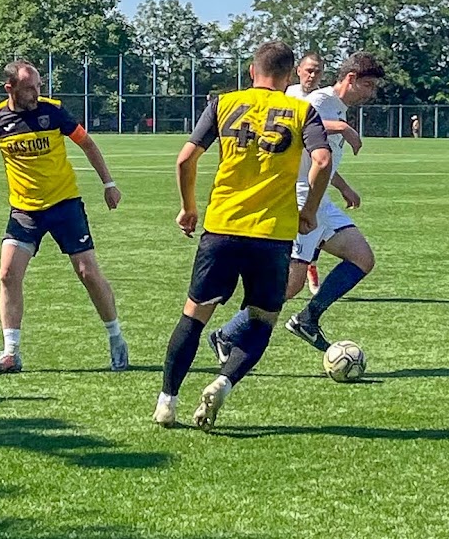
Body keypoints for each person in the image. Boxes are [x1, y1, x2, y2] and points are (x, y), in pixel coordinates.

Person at [152, 41, 332, 431]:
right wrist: (310, 211)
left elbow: (185, 158)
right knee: (262, 322)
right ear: (288, 78)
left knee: (194, 317)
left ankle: (167, 401)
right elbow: (322, 159)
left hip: (221, 228)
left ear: (252, 71)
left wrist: (188, 208)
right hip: (271, 234)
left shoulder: (224, 102)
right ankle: (223, 381)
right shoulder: (303, 110)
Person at [210, 52, 383, 364]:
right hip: (301, 198)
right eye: (368, 85)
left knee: (362, 258)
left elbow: (320, 157)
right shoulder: (319, 100)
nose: (371, 93)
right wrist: (343, 129)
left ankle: (307, 319)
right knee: (291, 284)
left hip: (321, 201)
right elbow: (299, 120)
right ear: (351, 79)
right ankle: (226, 334)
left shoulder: (338, 108)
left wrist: (343, 187)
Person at [0, 60, 128, 374]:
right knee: (7, 274)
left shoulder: (53, 111)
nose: (36, 92)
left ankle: (115, 338)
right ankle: (11, 352)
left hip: (64, 205)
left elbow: (86, 142)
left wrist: (108, 183)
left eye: (39, 86)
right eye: (30, 87)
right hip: (25, 211)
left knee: (87, 273)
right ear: (10, 88)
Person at [287, 52, 325, 294]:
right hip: (286, 175)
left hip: (311, 176)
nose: (312, 75)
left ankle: (309, 263)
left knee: (314, 224)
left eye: (317, 71)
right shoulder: (288, 94)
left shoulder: (325, 98)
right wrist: (342, 128)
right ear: (298, 70)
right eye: (309, 70)